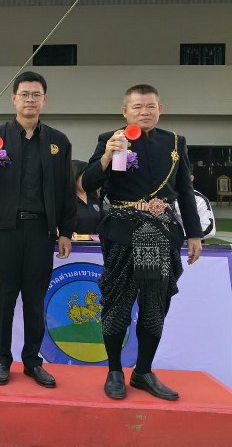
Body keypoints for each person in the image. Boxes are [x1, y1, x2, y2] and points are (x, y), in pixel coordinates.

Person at [82, 84, 202, 401]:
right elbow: (88, 182)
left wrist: (194, 233)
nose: (144, 112)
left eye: (150, 106)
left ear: (160, 108)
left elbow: (185, 192)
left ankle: (143, 372)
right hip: (122, 231)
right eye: (137, 107)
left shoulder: (175, 142)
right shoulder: (110, 138)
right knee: (117, 303)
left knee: (154, 305)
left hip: (159, 234)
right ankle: (114, 371)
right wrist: (107, 156)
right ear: (125, 111)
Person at [0, 71, 76, 388]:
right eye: (24, 94)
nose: (30, 100)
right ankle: (2, 360)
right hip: (5, 230)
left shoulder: (58, 142)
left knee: (35, 298)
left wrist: (65, 231)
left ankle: (32, 361)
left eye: (36, 94)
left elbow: (67, 191)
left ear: (45, 99)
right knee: (5, 297)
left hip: (41, 231)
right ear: (14, 98)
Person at [175, 165, 215, 241]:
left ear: (191, 178)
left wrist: (176, 236)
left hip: (189, 245)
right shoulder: (159, 198)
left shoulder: (199, 200)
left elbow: (209, 229)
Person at [72, 159, 102, 236]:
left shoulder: (93, 197)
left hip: (95, 243)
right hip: (72, 242)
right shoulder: (64, 200)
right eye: (85, 176)